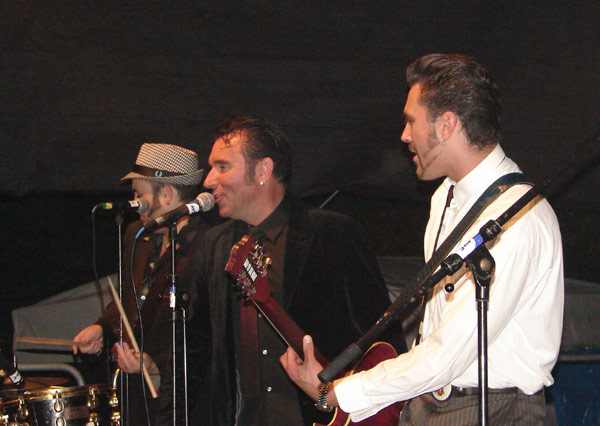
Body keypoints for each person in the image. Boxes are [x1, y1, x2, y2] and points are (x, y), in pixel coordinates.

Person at [281, 53, 564, 425]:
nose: (404, 135)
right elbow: (435, 341)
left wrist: (338, 392)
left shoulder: (517, 219)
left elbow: (447, 355)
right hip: (432, 403)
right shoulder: (446, 196)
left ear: (446, 125)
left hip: (494, 410)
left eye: (411, 121)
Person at [166, 116, 406, 426]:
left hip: (318, 417)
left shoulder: (331, 233)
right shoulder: (214, 245)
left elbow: (382, 335)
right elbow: (195, 349)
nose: (209, 180)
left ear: (263, 170)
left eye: (222, 167)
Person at [73, 143, 209, 425]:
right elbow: (129, 296)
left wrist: (156, 363)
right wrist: (102, 327)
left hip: (182, 393)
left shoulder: (205, 245)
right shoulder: (138, 235)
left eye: (139, 194)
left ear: (167, 194)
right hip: (135, 391)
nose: (135, 203)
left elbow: (206, 329)